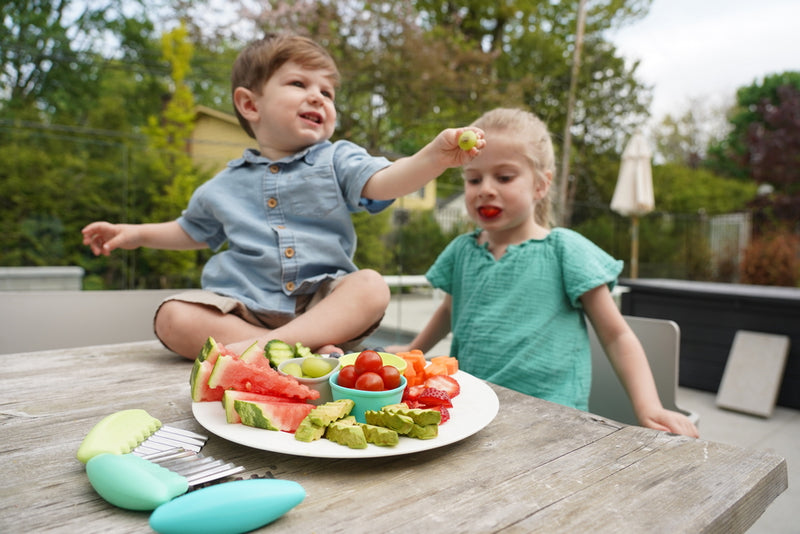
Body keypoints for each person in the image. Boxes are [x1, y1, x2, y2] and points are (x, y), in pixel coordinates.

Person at [82, 33, 485, 360]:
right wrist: (134, 234)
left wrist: (433, 157)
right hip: (242, 305)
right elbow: (190, 230)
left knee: (372, 286)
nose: (318, 98)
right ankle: (295, 351)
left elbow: (387, 180)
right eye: (299, 84)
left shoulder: (337, 159)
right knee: (172, 316)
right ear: (250, 104)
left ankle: (270, 349)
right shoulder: (223, 184)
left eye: (327, 93)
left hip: (319, 305)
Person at [387, 108, 698, 438]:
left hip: (553, 424)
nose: (485, 189)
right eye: (473, 179)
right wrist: (411, 352)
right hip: (472, 416)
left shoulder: (565, 250)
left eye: (504, 177)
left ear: (541, 185)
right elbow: (449, 311)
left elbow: (616, 335)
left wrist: (649, 406)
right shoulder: (462, 251)